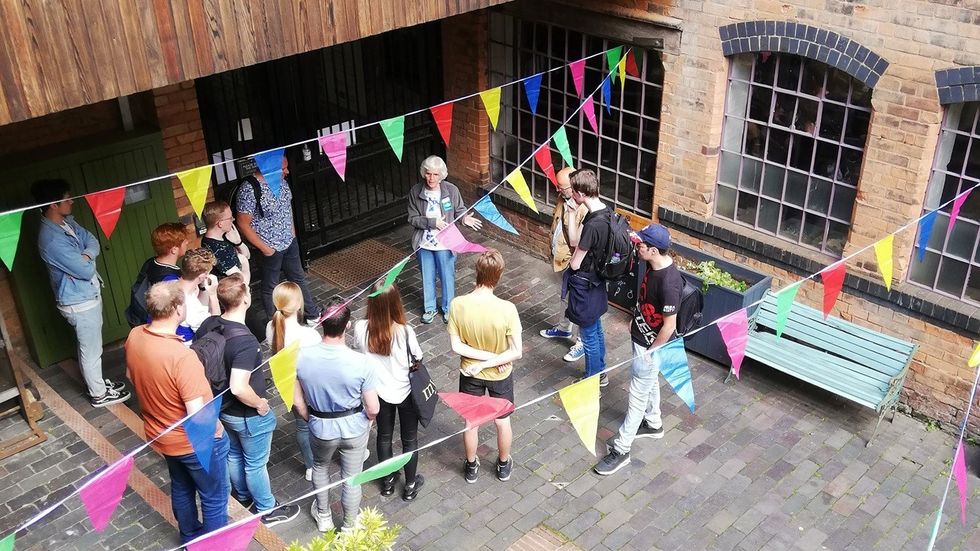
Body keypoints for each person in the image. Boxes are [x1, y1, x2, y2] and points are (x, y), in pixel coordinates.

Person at [126, 281, 229, 543]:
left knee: (182, 486)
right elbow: (198, 414)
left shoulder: (135, 335)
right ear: (177, 309)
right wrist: (217, 431)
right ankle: (213, 547)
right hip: (193, 444)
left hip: (161, 435)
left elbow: (130, 375)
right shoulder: (181, 357)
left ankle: (189, 537)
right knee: (214, 496)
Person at [196, 274, 301, 526]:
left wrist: (212, 296)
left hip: (223, 410)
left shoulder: (209, 324)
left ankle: (242, 496)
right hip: (248, 415)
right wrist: (260, 404)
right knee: (255, 463)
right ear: (245, 299)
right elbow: (238, 387)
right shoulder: (245, 341)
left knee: (234, 455)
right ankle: (266, 509)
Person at [31, 179, 131, 408]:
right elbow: (85, 270)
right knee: (91, 348)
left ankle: (98, 384)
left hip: (87, 295)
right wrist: (86, 259)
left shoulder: (66, 223)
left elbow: (92, 241)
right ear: (54, 204)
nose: (72, 201)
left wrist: (85, 255)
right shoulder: (52, 239)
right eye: (67, 199)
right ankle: (99, 394)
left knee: (90, 345)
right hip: (78, 301)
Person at [594, 224, 679, 476]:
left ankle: (621, 449)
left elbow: (669, 326)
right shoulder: (653, 265)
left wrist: (651, 351)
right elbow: (645, 299)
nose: (636, 246)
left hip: (650, 346)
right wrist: (636, 316)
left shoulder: (669, 283)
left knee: (636, 397)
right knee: (648, 383)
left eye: (640, 245)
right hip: (640, 336)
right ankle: (653, 423)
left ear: (653, 250)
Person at [294, 297, 380, 533]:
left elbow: (297, 401)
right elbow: (373, 407)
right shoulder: (362, 362)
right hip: (354, 427)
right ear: (348, 325)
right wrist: (367, 422)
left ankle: (323, 516)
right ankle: (349, 526)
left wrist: (309, 418)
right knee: (352, 477)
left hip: (320, 427)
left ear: (321, 323)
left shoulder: (300, 357)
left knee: (320, 468)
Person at [447, 249, 522, 484]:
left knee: (471, 422)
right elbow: (516, 351)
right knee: (502, 421)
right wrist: (492, 359)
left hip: (469, 371)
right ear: (498, 275)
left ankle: (471, 466)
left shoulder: (458, 304)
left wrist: (479, 363)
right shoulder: (507, 309)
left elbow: (456, 346)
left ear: (477, 272)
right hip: (500, 372)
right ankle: (502, 464)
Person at [351, 282, 425, 501]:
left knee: (384, 437)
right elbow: (418, 358)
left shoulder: (360, 327)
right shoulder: (405, 332)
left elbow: (357, 351)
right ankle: (410, 485)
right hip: (405, 393)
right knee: (409, 440)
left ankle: (387, 482)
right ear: (395, 304)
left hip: (378, 393)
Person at [234, 154, 322, 324]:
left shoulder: (281, 181)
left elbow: (286, 208)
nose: (287, 172)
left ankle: (311, 314)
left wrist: (293, 233)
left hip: (289, 241)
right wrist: (265, 248)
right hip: (269, 246)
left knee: (298, 278)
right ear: (269, 169)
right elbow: (243, 224)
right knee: (270, 286)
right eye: (283, 169)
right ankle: (276, 324)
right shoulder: (249, 189)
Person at [406, 155, 482, 324]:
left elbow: (459, 210)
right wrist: (433, 223)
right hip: (424, 243)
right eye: (428, 174)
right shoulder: (415, 192)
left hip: (446, 243)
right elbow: (412, 218)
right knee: (427, 276)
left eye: (435, 174)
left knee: (447, 276)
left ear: (441, 175)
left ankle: (448, 309)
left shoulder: (451, 190)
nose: (431, 178)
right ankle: (430, 308)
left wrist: (464, 219)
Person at [265, 281, 322, 482]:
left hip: (287, 383)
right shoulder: (309, 335)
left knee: (301, 426)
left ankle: (310, 465)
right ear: (298, 305)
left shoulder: (270, 328)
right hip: (310, 386)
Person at [539, 167, 589, 363]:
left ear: (574, 186)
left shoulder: (584, 208)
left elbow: (580, 241)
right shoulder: (563, 198)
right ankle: (563, 329)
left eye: (563, 187)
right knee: (564, 296)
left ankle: (582, 343)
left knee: (578, 302)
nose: (559, 191)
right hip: (561, 258)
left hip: (574, 262)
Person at [567, 169, 610, 387]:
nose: (571, 196)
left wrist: (570, 265)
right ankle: (601, 371)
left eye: (573, 191)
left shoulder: (593, 224)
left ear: (581, 193)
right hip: (599, 280)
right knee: (596, 329)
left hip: (585, 284)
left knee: (589, 336)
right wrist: (573, 214)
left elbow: (575, 260)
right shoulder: (605, 212)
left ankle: (593, 379)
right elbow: (577, 241)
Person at [176, 248, 220, 343]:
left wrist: (203, 288)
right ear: (202, 276)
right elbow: (215, 327)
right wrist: (213, 294)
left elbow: (201, 307)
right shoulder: (190, 305)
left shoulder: (172, 283)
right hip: (190, 350)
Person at [201, 200, 250, 284]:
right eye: (230, 218)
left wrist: (238, 242)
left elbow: (247, 255)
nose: (233, 220)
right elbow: (242, 281)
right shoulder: (216, 249)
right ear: (220, 224)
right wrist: (244, 261)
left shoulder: (226, 236)